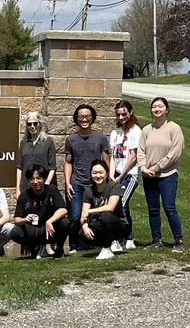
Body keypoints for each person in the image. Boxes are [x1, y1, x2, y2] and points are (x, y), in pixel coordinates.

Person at [137, 97, 185, 253]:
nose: (157, 109)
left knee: (169, 207)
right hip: (149, 175)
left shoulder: (174, 128)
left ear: (167, 109)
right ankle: (156, 240)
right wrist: (144, 168)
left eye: (160, 106)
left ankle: (178, 240)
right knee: (153, 209)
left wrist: (157, 167)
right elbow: (141, 151)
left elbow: (175, 153)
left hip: (168, 174)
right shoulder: (146, 130)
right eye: (154, 107)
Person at [64, 104, 110, 253]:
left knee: (97, 214)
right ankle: (73, 247)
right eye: (81, 117)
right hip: (77, 183)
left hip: (95, 183)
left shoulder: (101, 137)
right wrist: (67, 182)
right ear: (76, 119)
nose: (84, 119)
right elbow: (68, 162)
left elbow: (106, 161)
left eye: (87, 116)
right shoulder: (71, 139)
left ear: (93, 118)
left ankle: (94, 243)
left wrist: (107, 179)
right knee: (75, 216)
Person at [16, 112, 57, 256]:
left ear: (40, 124)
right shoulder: (23, 143)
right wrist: (17, 188)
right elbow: (19, 166)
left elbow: (52, 167)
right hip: (27, 186)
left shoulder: (48, 142)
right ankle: (33, 247)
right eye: (29, 124)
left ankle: (48, 246)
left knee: (46, 214)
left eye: (35, 123)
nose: (32, 127)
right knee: (29, 214)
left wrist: (45, 184)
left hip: (43, 185)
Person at [10, 165, 69, 259]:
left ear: (45, 179)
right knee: (15, 232)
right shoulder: (24, 195)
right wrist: (25, 219)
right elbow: (16, 220)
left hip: (51, 229)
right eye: (32, 179)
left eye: (38, 178)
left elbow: (63, 209)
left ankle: (59, 248)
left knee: (65, 223)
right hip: (34, 230)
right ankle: (35, 248)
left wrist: (50, 221)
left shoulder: (52, 190)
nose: (35, 182)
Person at [109, 100, 142, 250]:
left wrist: (121, 175)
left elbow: (133, 157)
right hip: (116, 175)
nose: (121, 117)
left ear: (130, 113)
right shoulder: (115, 133)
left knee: (120, 203)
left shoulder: (135, 130)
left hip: (131, 174)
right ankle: (128, 237)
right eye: (118, 114)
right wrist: (111, 175)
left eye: (124, 114)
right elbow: (113, 156)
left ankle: (120, 238)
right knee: (123, 206)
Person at [79, 160, 128, 260]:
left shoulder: (114, 186)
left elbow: (110, 207)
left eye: (101, 172)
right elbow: (83, 214)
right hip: (100, 223)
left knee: (106, 215)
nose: (98, 176)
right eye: (94, 173)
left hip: (118, 224)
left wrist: (90, 211)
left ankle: (108, 247)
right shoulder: (88, 191)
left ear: (106, 173)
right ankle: (109, 243)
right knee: (81, 233)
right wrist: (84, 226)